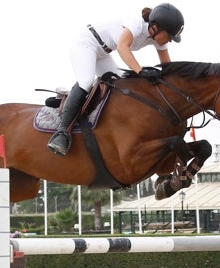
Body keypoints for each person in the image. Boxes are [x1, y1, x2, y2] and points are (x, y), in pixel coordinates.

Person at [47, 3, 185, 156]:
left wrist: (175, 85)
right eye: (170, 36)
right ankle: (62, 132)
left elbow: (167, 65)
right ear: (156, 27)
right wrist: (140, 71)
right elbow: (122, 47)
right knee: (86, 82)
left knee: (119, 86)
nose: (170, 41)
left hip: (104, 53)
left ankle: (72, 105)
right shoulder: (137, 24)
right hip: (86, 43)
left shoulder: (157, 38)